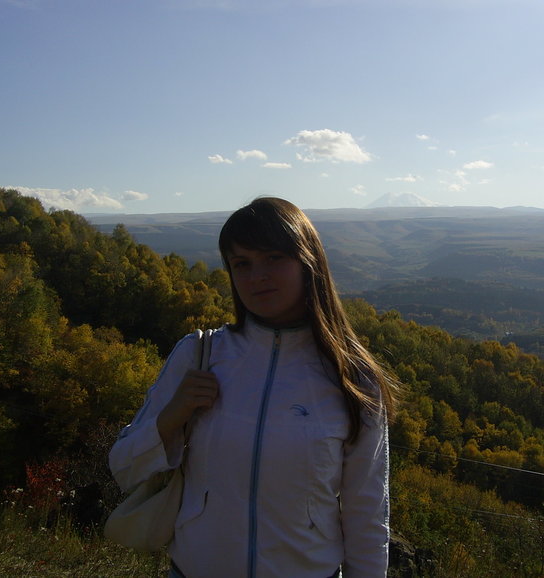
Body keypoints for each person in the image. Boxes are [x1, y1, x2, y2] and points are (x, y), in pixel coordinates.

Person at [109, 197, 397, 578]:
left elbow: (367, 515)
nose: (256, 275)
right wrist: (170, 419)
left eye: (273, 258)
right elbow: (123, 466)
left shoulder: (353, 380)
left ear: (308, 262)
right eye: (241, 264)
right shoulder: (199, 355)